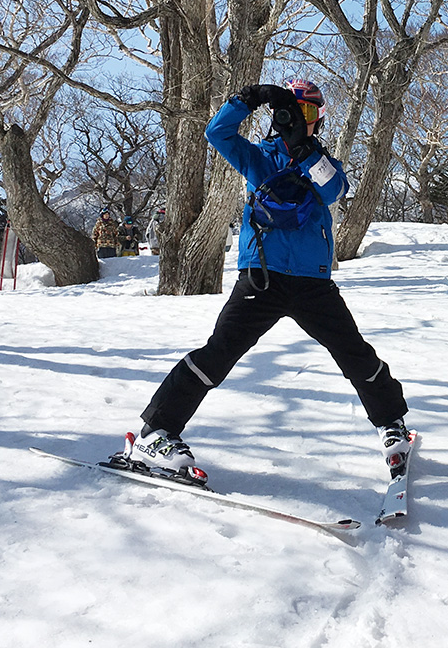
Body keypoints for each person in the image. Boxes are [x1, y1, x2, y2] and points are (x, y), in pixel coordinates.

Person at [127, 79, 410, 481]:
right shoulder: (259, 158)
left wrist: (306, 151)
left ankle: (391, 423)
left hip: (312, 282)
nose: (300, 120)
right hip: (261, 278)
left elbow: (335, 191)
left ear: (320, 119)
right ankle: (156, 431)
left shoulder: (322, 162)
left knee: (354, 354)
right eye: (293, 112)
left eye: (309, 113)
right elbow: (217, 133)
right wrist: (247, 99)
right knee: (218, 353)